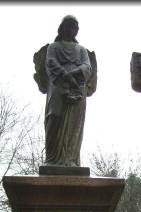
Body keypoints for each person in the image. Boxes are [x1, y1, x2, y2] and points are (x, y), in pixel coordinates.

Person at [40, 15, 93, 166]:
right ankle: (52, 159)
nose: (71, 30)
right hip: (58, 86)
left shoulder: (81, 50)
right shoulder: (54, 47)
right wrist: (64, 73)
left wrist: (75, 73)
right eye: (68, 26)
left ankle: (70, 159)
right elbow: (50, 62)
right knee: (54, 117)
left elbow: (87, 67)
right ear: (62, 28)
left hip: (77, 87)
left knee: (75, 122)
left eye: (74, 27)